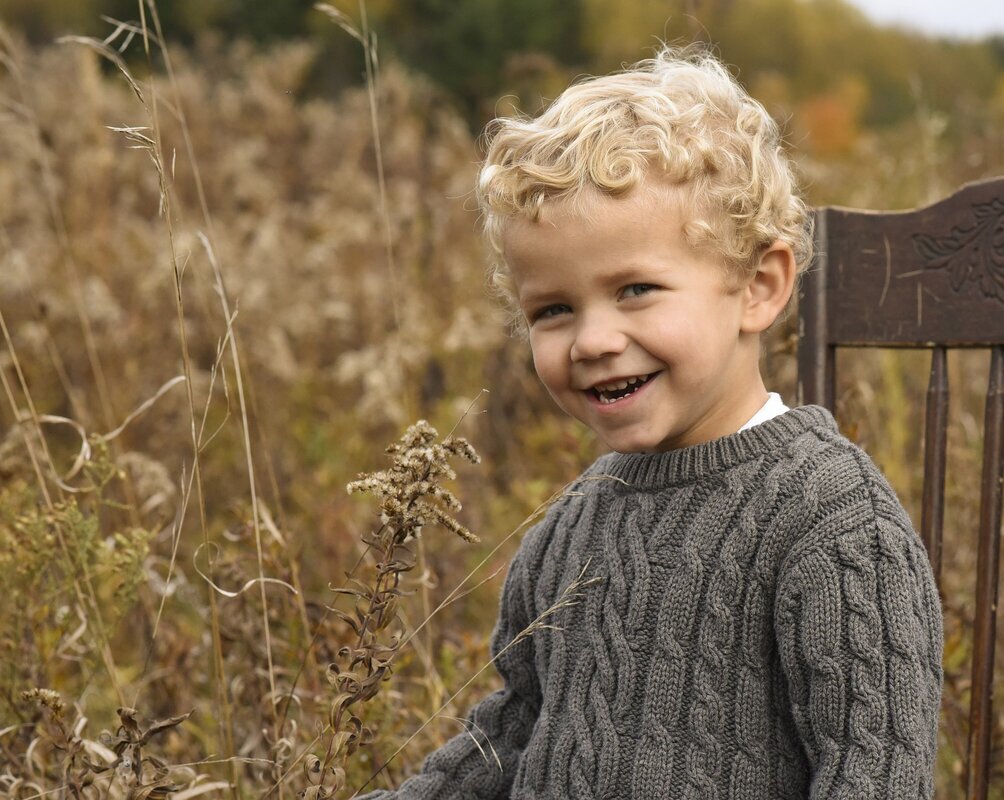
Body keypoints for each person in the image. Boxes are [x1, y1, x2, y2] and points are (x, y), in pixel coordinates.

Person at [362, 45, 943, 799]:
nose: (594, 340)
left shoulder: (830, 522)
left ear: (758, 287)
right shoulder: (573, 521)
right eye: (554, 310)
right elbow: (515, 729)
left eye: (635, 289)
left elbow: (876, 774)